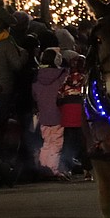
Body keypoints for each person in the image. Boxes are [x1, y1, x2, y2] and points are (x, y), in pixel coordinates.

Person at [32, 48, 69, 180]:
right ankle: (53, 169)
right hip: (58, 113)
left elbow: (35, 96)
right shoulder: (62, 75)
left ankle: (43, 167)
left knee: (47, 142)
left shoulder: (37, 76)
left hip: (44, 115)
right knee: (56, 142)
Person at [58, 52, 89, 180]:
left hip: (67, 114)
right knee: (85, 143)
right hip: (82, 113)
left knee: (69, 143)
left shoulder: (65, 79)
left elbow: (59, 95)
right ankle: (88, 170)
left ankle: (66, 169)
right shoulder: (85, 79)